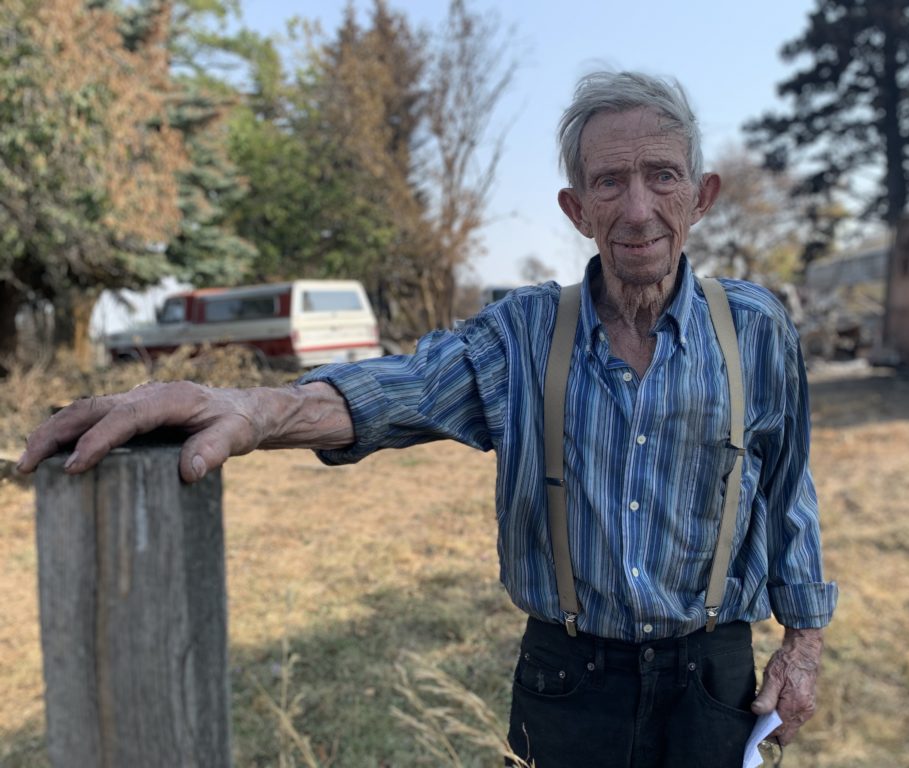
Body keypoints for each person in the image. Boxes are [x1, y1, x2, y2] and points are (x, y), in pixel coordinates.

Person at [18, 71, 837, 767]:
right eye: (608, 182)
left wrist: (802, 645)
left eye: (662, 176)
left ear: (702, 196)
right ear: (575, 209)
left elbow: (786, 489)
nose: (637, 207)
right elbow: (400, 389)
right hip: (570, 679)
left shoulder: (756, 329)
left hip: (713, 673)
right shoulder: (522, 335)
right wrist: (251, 408)